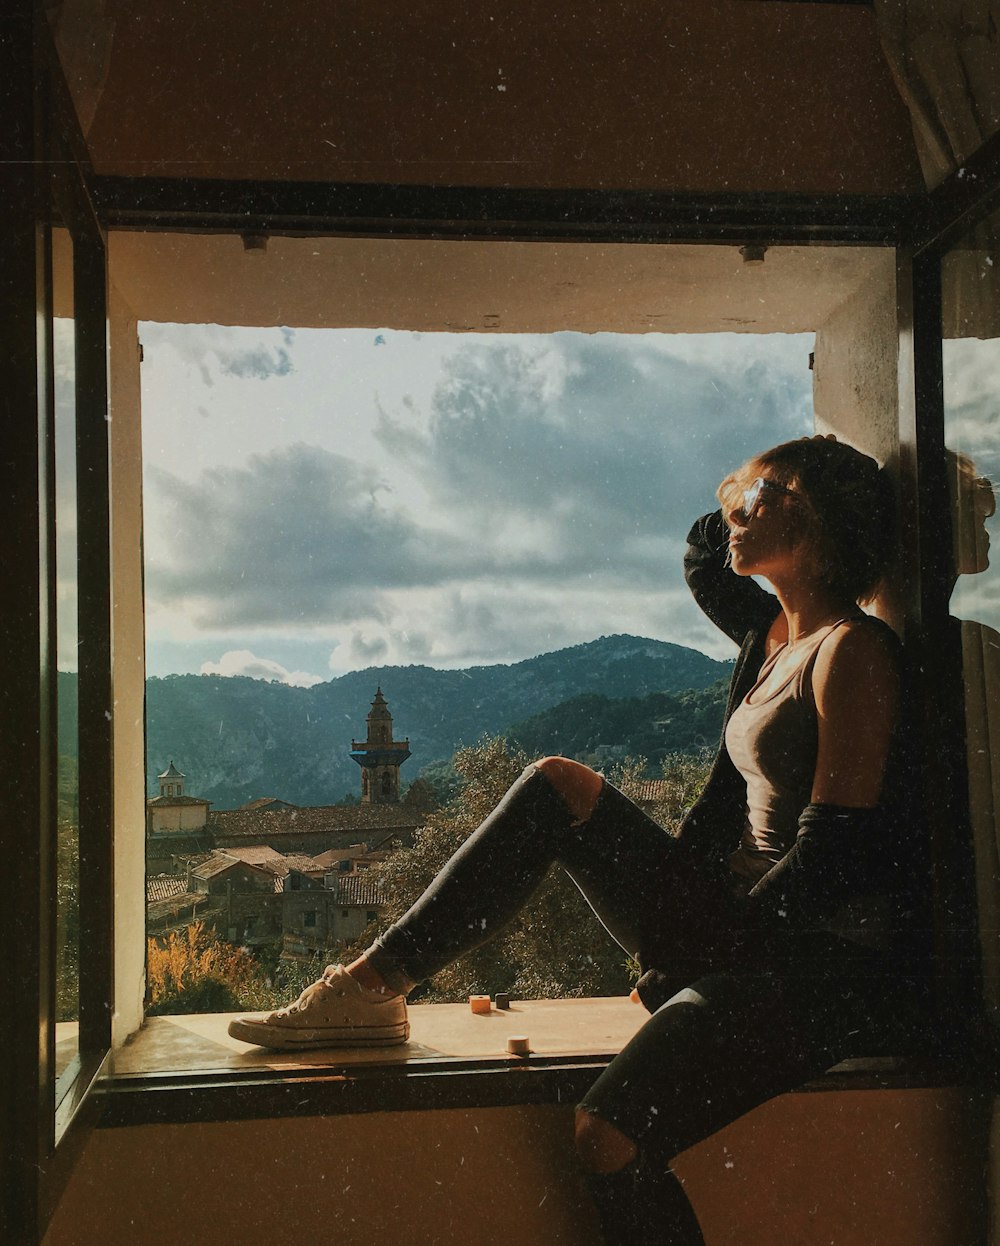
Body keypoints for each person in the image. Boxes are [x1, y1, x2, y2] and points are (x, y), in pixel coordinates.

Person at [229, 434, 919, 1246]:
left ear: (813, 521)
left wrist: (713, 953)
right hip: (734, 928)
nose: (730, 512)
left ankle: (371, 992)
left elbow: (834, 855)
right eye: (736, 495)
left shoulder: (854, 653)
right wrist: (765, 484)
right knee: (557, 783)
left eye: (755, 499)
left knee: (605, 1136)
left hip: (812, 962)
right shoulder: (770, 642)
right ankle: (369, 991)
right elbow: (706, 550)